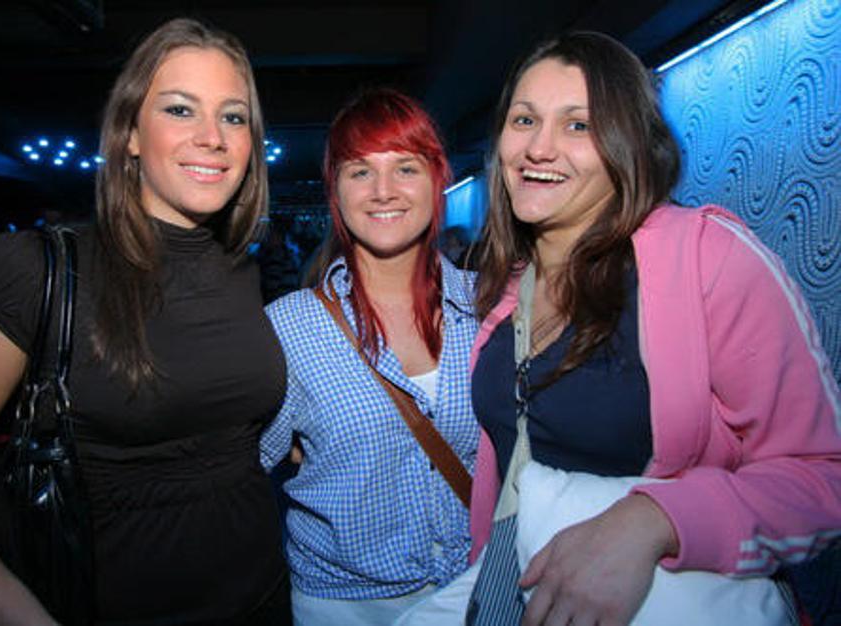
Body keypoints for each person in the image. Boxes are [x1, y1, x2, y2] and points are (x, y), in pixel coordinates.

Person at [0, 18, 290, 625]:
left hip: (264, 602)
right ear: (129, 133)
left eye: (233, 117)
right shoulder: (32, 269)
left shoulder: (241, 269)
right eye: (180, 110)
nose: (213, 137)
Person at [467, 31, 841, 625]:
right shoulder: (510, 285)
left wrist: (657, 518)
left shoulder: (709, 259)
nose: (539, 147)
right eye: (524, 119)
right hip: (518, 594)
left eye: (578, 125)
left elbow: (824, 477)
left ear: (629, 143)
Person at [260, 88, 480, 624]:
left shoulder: (489, 308)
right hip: (345, 604)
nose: (383, 191)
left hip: (477, 586)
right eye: (360, 171)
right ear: (335, 190)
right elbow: (238, 466)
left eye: (405, 168)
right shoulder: (291, 327)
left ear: (437, 179)